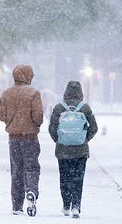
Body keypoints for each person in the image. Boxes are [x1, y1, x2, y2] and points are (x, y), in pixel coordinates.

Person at [0, 64, 44, 216]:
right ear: (27, 75)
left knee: (16, 170)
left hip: (13, 138)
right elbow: (38, 117)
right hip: (30, 137)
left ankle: (17, 204)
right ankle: (31, 191)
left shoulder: (6, 94)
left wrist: (12, 122)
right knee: (31, 167)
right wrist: (33, 124)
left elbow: (1, 115)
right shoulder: (33, 93)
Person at [48, 81, 98, 219]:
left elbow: (51, 128)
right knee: (78, 178)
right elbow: (94, 127)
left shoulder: (59, 108)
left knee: (64, 178)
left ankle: (66, 205)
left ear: (66, 92)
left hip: (63, 151)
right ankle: (76, 206)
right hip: (80, 151)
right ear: (80, 92)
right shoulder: (85, 108)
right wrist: (84, 139)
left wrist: (60, 141)